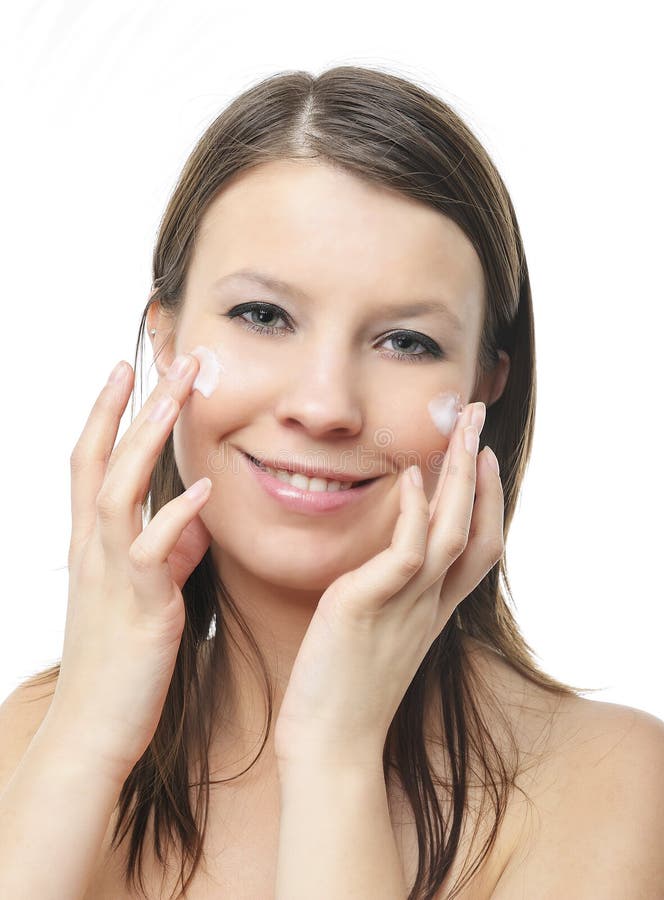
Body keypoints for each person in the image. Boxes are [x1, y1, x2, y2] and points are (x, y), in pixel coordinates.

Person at [1, 65, 662, 900]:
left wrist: (333, 753)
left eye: (406, 342)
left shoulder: (610, 783)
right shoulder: (35, 737)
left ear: (487, 385)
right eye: (263, 317)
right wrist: (88, 733)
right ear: (163, 339)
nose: (323, 406)